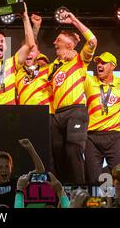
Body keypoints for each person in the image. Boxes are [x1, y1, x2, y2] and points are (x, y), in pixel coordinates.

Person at [48, 10, 97, 184]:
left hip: (75, 111)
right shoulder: (54, 65)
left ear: (69, 45)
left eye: (59, 40)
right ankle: (63, 191)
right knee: (57, 153)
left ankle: (80, 191)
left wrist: (75, 21)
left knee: (73, 151)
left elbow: (92, 41)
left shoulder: (79, 60)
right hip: (57, 115)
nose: (54, 42)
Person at [84, 52, 120, 184]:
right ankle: (95, 204)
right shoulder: (90, 81)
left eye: (103, 63)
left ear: (112, 66)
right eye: (98, 62)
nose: (99, 65)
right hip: (92, 137)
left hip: (114, 136)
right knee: (93, 178)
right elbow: (79, 70)